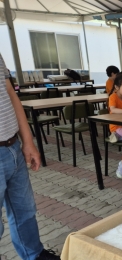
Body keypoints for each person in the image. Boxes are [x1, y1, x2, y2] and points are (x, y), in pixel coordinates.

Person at [0, 54, 60, 259]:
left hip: (12, 146)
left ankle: (34, 254)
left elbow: (10, 93)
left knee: (24, 210)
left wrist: (28, 141)